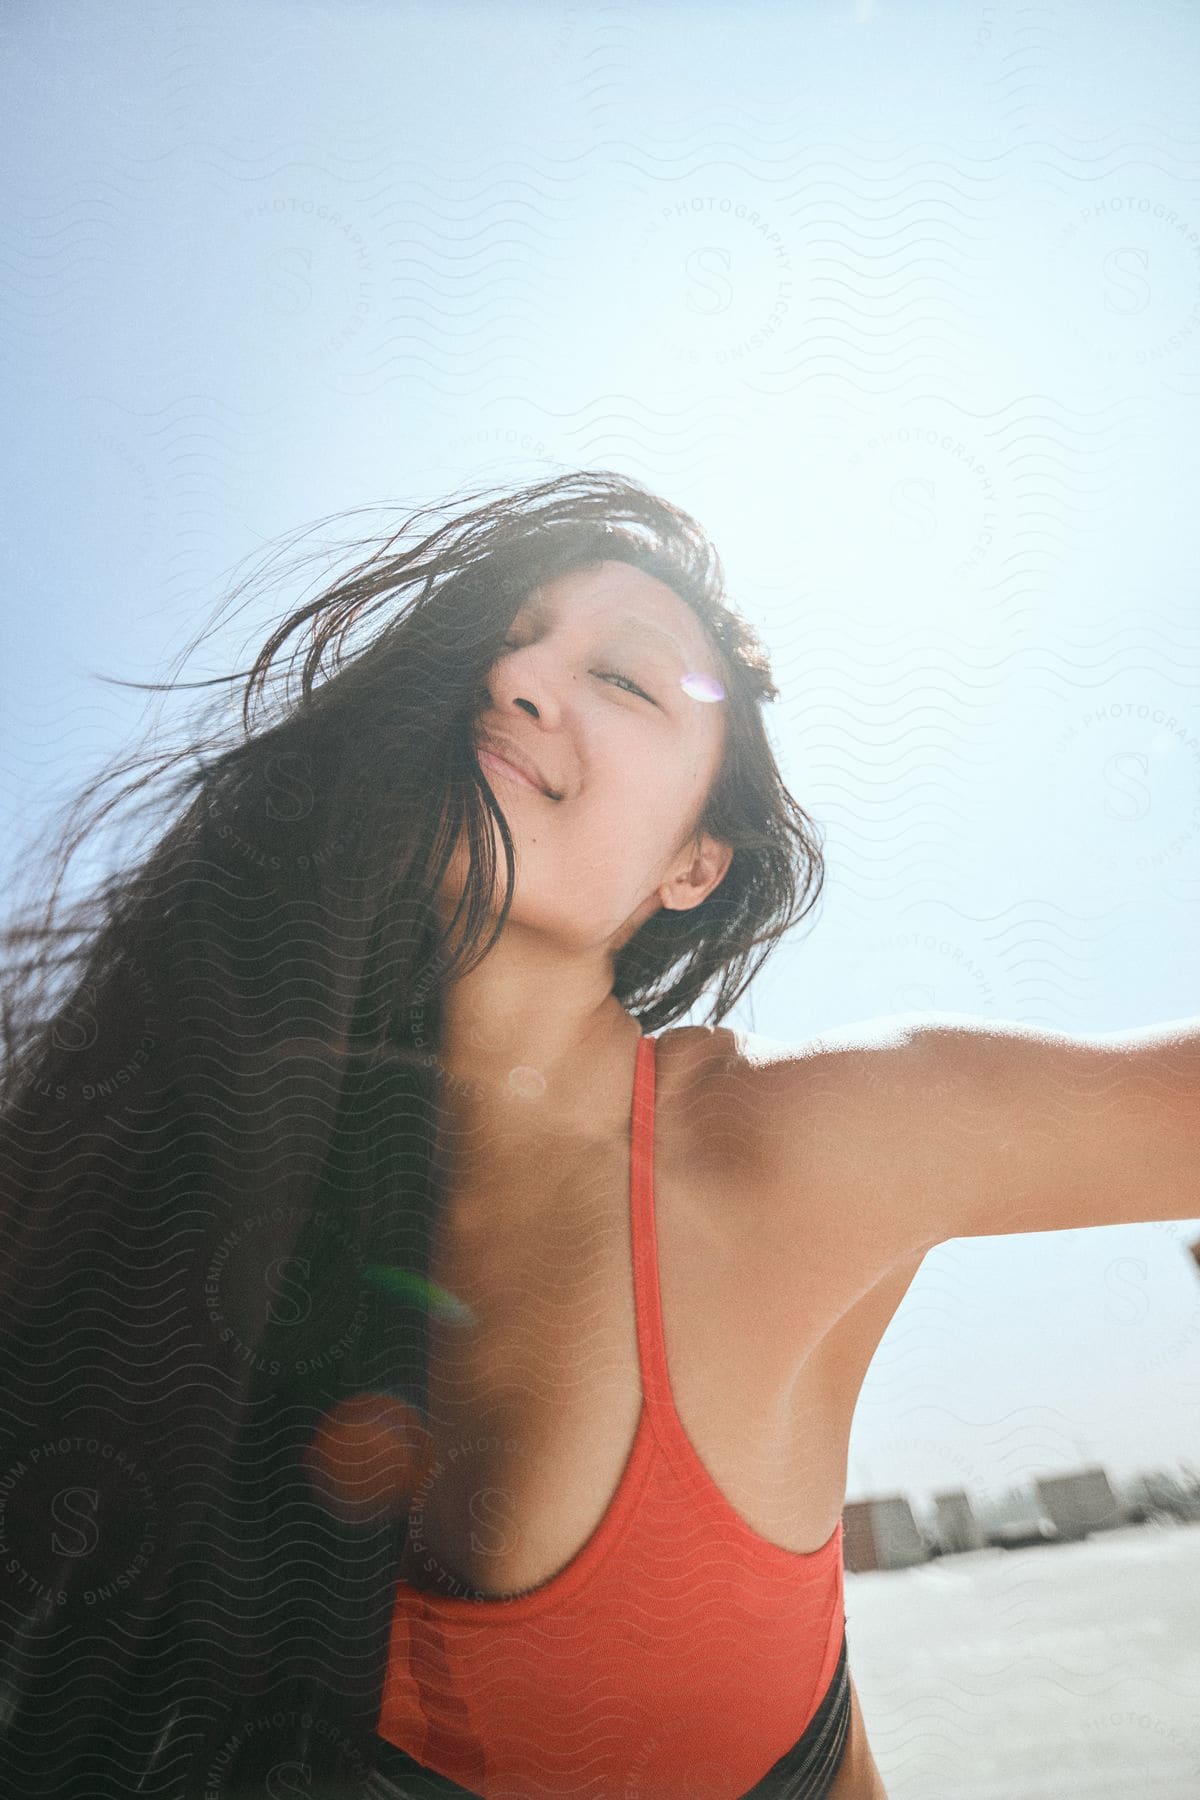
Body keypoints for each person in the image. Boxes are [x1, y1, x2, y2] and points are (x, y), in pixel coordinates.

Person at [3, 470, 1195, 1798]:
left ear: (695, 865)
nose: (516, 678)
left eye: (625, 678)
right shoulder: (210, 1195)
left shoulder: (792, 1143)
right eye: (508, 639)